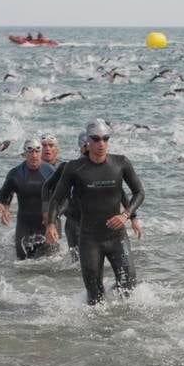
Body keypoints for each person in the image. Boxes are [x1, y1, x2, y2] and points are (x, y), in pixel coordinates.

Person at [45, 119, 145, 304]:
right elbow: (57, 198)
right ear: (87, 142)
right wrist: (51, 223)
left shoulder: (120, 163)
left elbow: (139, 192)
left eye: (105, 139)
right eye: (96, 139)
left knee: (129, 286)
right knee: (94, 298)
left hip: (117, 238)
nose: (101, 144)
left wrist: (127, 215)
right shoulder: (74, 168)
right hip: (90, 239)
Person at [0, 138, 55, 260]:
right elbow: (3, 196)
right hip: (24, 225)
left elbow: (60, 198)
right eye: (30, 152)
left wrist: (53, 219)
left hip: (47, 225)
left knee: (51, 265)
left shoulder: (50, 172)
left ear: (41, 153)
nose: (34, 155)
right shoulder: (16, 174)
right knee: (22, 265)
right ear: (24, 154)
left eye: (37, 151)